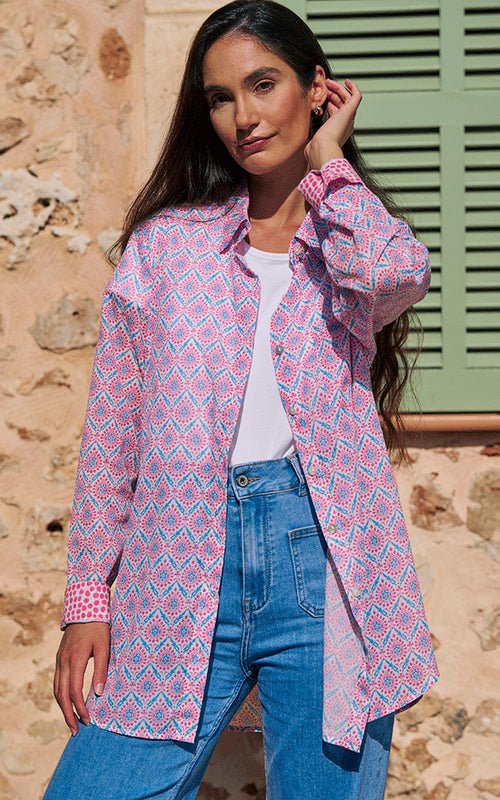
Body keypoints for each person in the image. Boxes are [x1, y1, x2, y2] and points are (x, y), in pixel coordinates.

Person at [43, 1, 438, 798]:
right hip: (174, 560)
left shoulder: (348, 240)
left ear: (315, 89)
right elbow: (112, 435)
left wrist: (330, 161)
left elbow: (396, 275)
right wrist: (89, 599)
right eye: (221, 98)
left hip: (323, 564)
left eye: (264, 85)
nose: (244, 117)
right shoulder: (166, 247)